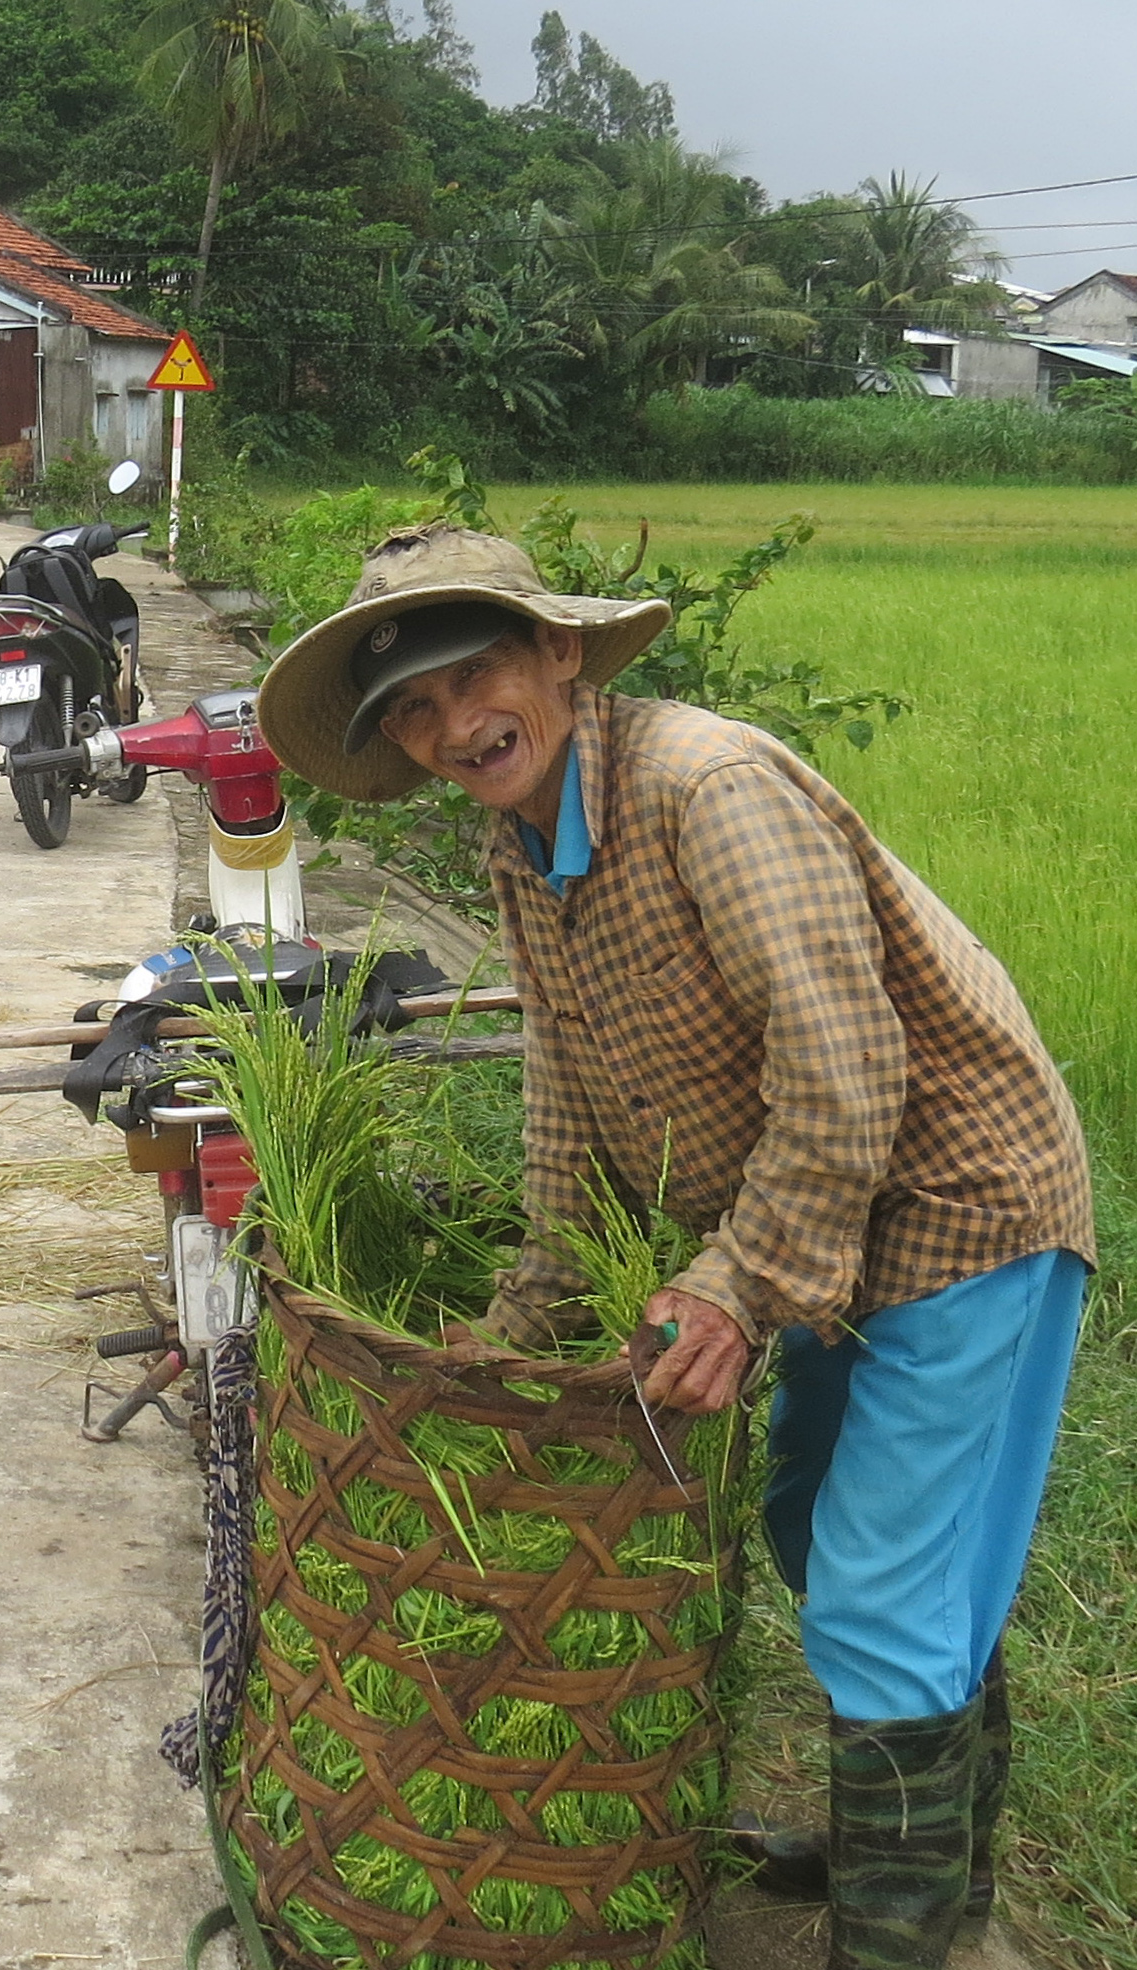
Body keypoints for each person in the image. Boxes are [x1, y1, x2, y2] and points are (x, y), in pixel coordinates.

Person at [256, 520, 1094, 1970]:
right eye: (414, 708)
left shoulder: (709, 788)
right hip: (822, 1215)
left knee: (891, 1589)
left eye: (476, 676)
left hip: (964, 1205)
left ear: (560, 655)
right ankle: (915, 1844)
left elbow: (844, 1066)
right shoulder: (520, 840)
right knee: (814, 1525)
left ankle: (907, 1936)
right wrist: (528, 1304)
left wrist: (732, 1280)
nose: (456, 723)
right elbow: (566, 1088)